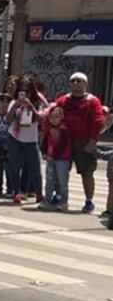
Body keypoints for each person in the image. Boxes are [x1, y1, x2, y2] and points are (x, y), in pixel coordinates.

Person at [52, 72, 106, 214]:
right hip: (65, 142)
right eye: (73, 81)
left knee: (87, 172)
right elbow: (53, 116)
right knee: (61, 171)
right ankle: (59, 197)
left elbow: (98, 121)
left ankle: (89, 201)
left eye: (79, 81)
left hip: (84, 142)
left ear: (85, 84)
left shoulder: (92, 101)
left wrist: (92, 141)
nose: (76, 83)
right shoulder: (63, 100)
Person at [7, 77, 46, 204]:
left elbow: (41, 119)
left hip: (31, 140)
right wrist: (16, 106)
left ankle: (39, 193)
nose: (25, 95)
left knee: (35, 168)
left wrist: (31, 106)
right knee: (14, 167)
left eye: (28, 92)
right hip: (15, 138)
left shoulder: (37, 104)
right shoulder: (14, 103)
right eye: (22, 91)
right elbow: (7, 120)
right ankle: (16, 192)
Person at [40, 106, 72, 210]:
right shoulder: (48, 128)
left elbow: (63, 145)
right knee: (49, 180)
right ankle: (47, 200)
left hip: (62, 159)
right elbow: (44, 142)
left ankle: (64, 202)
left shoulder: (64, 129)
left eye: (57, 117)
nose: (54, 119)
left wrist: (53, 156)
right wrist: (44, 153)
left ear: (61, 117)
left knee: (62, 181)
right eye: (52, 117)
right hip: (50, 158)